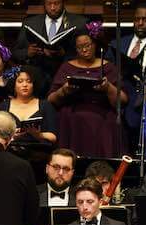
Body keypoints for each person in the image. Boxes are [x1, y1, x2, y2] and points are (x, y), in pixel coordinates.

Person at [48, 25, 127, 157]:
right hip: (72, 118)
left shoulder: (108, 67)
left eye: (87, 45)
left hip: (103, 116)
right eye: (79, 47)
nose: (84, 50)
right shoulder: (67, 67)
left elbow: (123, 100)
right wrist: (64, 90)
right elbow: (51, 99)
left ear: (95, 44)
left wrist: (108, 88)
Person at [12, 0, 86, 94]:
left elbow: (86, 54)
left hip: (66, 77)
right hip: (37, 80)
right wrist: (28, 53)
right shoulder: (30, 23)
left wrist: (65, 54)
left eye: (56, 3)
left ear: (63, 3)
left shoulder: (80, 23)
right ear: (44, 4)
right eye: (49, 4)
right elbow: (16, 52)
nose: (52, 8)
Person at [0, 65, 57, 149]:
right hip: (10, 151)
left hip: (38, 152)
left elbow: (53, 136)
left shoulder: (46, 106)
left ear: (34, 84)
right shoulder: (3, 107)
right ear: (13, 84)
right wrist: (11, 136)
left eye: (29, 81)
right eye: (20, 81)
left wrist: (38, 135)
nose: (25, 85)